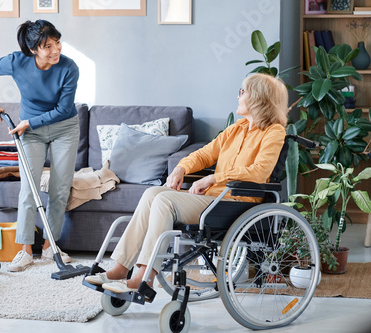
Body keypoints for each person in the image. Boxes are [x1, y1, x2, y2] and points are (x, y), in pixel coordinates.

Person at [85, 73, 288, 293]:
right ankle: (120, 268)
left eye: (243, 92)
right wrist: (182, 168)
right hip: (213, 200)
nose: (238, 96)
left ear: (257, 98)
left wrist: (214, 177)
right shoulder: (235, 129)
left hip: (236, 203)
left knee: (164, 201)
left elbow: (259, 172)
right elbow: (203, 155)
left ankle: (144, 278)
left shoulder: (274, 132)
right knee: (153, 193)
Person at [0, 20, 80, 272]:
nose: (56, 50)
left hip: (64, 129)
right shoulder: (17, 61)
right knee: (29, 189)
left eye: (57, 42)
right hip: (31, 132)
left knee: (59, 189)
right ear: (33, 49)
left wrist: (29, 122)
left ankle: (49, 247)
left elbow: (64, 110)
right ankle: (25, 251)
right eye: (48, 46)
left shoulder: (69, 68)